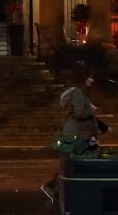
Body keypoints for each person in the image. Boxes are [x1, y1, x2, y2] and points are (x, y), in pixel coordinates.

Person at [40, 75, 99, 203]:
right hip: (75, 134)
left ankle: (54, 189)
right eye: (89, 80)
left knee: (71, 163)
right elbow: (80, 113)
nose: (91, 83)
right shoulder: (78, 93)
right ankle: (52, 188)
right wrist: (91, 110)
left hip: (77, 133)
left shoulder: (82, 95)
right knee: (72, 163)